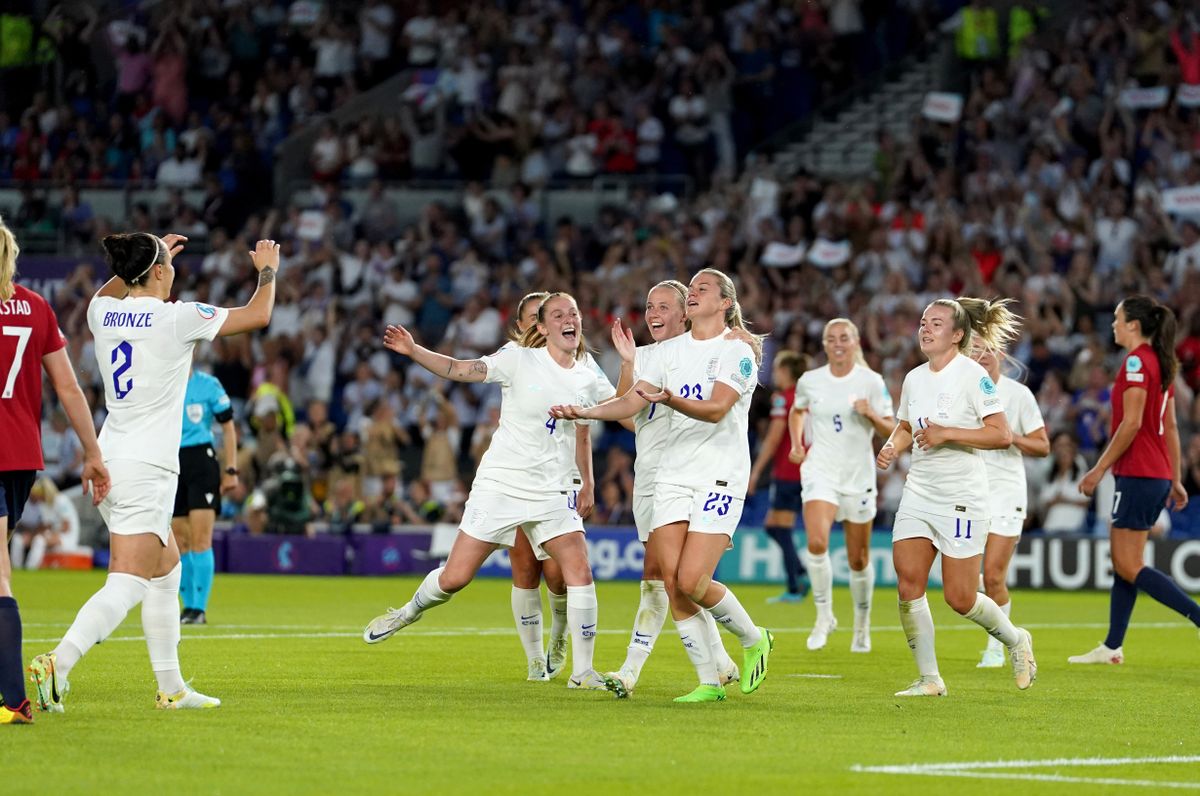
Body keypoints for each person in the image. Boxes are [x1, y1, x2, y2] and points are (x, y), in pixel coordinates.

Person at [29, 233, 279, 713]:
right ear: (161, 272)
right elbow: (259, 314)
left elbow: (109, 293)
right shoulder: (177, 317)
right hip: (146, 468)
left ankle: (172, 688)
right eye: (168, 266)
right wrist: (267, 269)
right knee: (127, 581)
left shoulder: (101, 314)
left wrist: (144, 256)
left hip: (112, 456)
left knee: (167, 571)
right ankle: (57, 663)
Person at [363, 293, 617, 692]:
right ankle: (407, 612)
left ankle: (583, 672)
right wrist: (414, 351)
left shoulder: (588, 370)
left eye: (574, 313)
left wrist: (635, 366)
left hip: (552, 488)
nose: (569, 320)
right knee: (455, 578)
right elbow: (460, 368)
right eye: (558, 315)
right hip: (502, 484)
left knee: (577, 571)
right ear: (541, 326)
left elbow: (622, 407)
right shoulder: (517, 359)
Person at [551, 269, 774, 703]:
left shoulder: (737, 351)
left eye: (700, 290)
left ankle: (753, 638)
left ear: (725, 303)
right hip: (670, 474)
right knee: (672, 583)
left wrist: (669, 398)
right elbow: (631, 404)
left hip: (719, 474)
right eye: (689, 289)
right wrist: (583, 412)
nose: (693, 294)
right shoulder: (663, 353)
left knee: (692, 579)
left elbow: (716, 409)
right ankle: (711, 681)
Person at [876, 297, 1036, 697]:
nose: (925, 328)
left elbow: (1000, 435)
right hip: (919, 491)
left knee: (960, 597)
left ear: (958, 335)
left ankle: (1016, 639)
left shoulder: (972, 376)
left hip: (962, 497)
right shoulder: (914, 378)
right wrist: (893, 445)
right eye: (923, 322)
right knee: (908, 583)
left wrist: (948, 433)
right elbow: (905, 424)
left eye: (936, 323)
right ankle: (930, 679)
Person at [603, 280, 741, 696]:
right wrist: (628, 362)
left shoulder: (711, 352)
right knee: (673, 580)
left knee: (663, 577)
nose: (653, 313)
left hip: (690, 478)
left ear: (685, 313)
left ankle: (631, 670)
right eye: (649, 306)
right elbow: (627, 414)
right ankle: (722, 663)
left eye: (664, 306)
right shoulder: (648, 357)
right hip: (651, 479)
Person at [0, 222, 110, 725]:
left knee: (0, 576)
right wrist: (92, 451)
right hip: (22, 455)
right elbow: (69, 388)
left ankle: (12, 700)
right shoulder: (34, 307)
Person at [1071, 295, 1200, 664]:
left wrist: (1097, 470)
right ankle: (1112, 647)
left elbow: (1131, 423)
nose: (1112, 323)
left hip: (1137, 473)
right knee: (1128, 562)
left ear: (1133, 325)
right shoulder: (1162, 363)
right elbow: (1170, 425)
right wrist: (1175, 478)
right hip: (1155, 475)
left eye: (1116, 317)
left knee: (1127, 564)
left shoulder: (1135, 363)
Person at [787, 319, 894, 652]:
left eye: (844, 338)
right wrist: (796, 444)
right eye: (831, 338)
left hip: (858, 476)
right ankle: (824, 617)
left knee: (858, 559)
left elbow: (892, 427)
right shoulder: (810, 380)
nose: (837, 343)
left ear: (856, 341)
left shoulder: (871, 382)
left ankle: (861, 625)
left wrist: (872, 414)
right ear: (823, 343)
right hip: (820, 471)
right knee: (817, 542)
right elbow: (797, 410)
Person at [500, 291, 572, 681]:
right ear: (523, 325)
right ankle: (533, 659)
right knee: (524, 568)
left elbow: (583, 428)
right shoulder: (514, 359)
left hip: (560, 480)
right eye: (529, 319)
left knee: (559, 575)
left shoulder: (574, 360)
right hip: (518, 477)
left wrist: (587, 479)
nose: (535, 326)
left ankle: (559, 636)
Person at [970, 340, 1049, 668]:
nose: (982, 356)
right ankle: (1002, 635)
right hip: (969, 491)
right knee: (968, 580)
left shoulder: (1018, 395)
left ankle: (997, 647)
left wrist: (1008, 435)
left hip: (1005, 493)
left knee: (993, 575)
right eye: (974, 350)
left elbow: (1043, 445)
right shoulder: (962, 390)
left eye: (988, 350)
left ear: (1001, 355)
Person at [173, 365, 239, 625]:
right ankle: (187, 607)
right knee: (179, 539)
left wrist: (231, 468)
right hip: (171, 461)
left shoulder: (209, 385)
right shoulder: (163, 380)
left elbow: (229, 427)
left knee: (201, 537)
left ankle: (199, 608)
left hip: (201, 462)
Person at [748, 350, 811, 604]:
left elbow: (774, 438)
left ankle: (796, 586)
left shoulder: (783, 399)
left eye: (777, 369)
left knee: (780, 527)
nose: (774, 374)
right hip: (807, 470)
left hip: (788, 470)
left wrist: (756, 472)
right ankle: (799, 571)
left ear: (786, 372)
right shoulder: (808, 397)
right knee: (774, 526)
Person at [9, 478, 82, 570]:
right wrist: (31, 535)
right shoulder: (44, 505)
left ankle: (30, 569)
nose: (37, 498)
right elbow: (45, 526)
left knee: (39, 540)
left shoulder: (61, 500)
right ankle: (17, 568)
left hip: (66, 537)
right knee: (18, 539)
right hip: (51, 534)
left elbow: (66, 527)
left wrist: (47, 535)